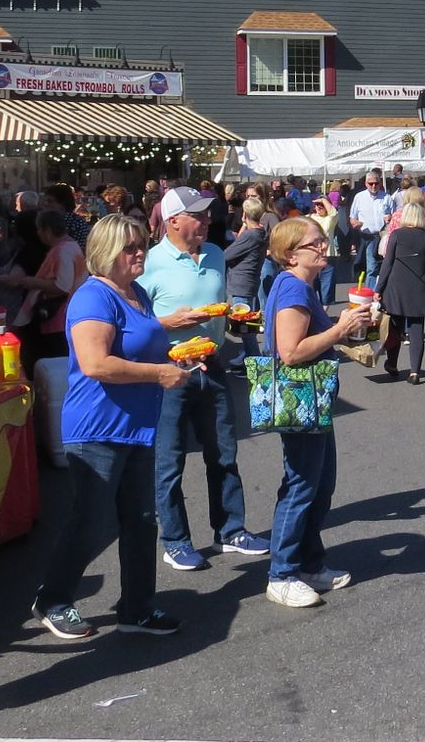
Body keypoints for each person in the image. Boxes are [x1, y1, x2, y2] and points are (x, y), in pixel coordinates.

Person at [31, 215, 191, 640]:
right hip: (98, 429)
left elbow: (142, 343)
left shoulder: (135, 293)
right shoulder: (93, 297)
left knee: (140, 521)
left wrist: (177, 356)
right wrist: (159, 374)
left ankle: (137, 608)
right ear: (106, 253)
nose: (140, 252)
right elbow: (96, 363)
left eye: (141, 243)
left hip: (137, 426)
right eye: (130, 247)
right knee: (92, 522)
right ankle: (52, 599)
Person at [141, 187, 269, 573]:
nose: (207, 220)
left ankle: (231, 530)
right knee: (169, 461)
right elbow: (133, 324)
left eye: (207, 214)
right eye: (197, 215)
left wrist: (235, 316)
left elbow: (221, 303)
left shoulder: (214, 254)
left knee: (224, 452)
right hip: (169, 370)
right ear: (173, 220)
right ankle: (175, 541)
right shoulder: (150, 263)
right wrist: (170, 322)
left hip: (211, 364)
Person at [262, 217, 371, 607]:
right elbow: (290, 353)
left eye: (322, 240)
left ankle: (308, 563)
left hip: (313, 398)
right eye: (314, 244)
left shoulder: (297, 286)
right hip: (300, 396)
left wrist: (349, 333)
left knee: (319, 484)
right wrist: (340, 330)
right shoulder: (293, 289)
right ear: (291, 255)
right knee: (302, 485)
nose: (323, 247)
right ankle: (283, 573)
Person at [7, 210, 87, 378]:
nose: (38, 233)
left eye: (39, 229)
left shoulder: (62, 250)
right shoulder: (71, 246)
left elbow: (62, 286)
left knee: (49, 367)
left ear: (48, 231)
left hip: (56, 317)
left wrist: (32, 282)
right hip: (64, 316)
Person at [376, 202, 425, 385]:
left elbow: (387, 264)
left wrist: (379, 289)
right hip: (419, 286)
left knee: (395, 327)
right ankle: (415, 372)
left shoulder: (396, 235)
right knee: (416, 330)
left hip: (396, 286)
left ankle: (392, 363)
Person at [348, 171, 392, 292]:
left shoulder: (386, 197)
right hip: (365, 235)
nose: (373, 186)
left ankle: (376, 292)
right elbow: (352, 217)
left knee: (378, 266)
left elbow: (393, 215)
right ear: (365, 184)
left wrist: (390, 218)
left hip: (382, 235)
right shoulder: (359, 197)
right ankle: (370, 292)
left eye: (376, 183)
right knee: (367, 266)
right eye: (370, 183)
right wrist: (354, 223)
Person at [42, 184, 91, 251]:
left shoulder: (70, 221)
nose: (46, 204)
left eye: (50, 201)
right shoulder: (76, 220)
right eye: (45, 201)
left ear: (62, 203)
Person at [309, 197, 339, 306]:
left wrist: (324, 200)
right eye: (317, 205)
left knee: (327, 291)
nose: (319, 207)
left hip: (328, 257)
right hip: (312, 257)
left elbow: (334, 213)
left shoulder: (330, 219)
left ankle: (324, 317)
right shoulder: (309, 218)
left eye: (322, 205)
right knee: (311, 288)